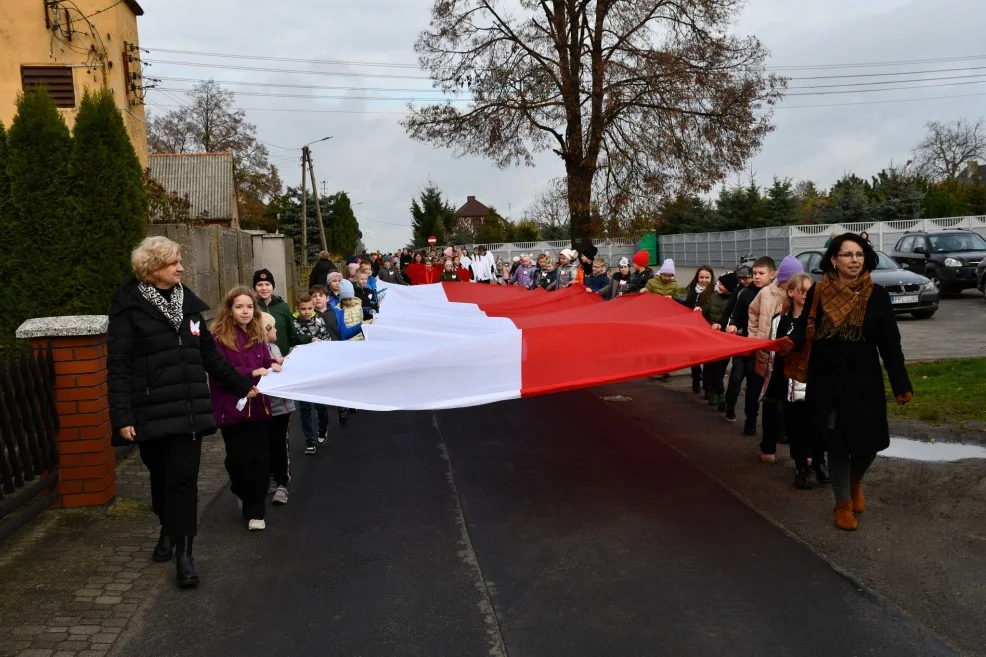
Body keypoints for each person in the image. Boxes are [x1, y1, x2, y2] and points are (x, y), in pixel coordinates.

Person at [108, 236, 257, 589]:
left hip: (188, 410)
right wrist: (123, 417)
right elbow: (117, 367)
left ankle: (185, 555)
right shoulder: (128, 309)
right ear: (153, 267)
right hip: (150, 411)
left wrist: (241, 385)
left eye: (180, 261)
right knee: (161, 481)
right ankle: (167, 528)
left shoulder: (187, 306)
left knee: (184, 482)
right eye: (174, 261)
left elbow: (209, 355)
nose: (181, 267)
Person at [783, 234, 912, 531]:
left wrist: (900, 382)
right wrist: (790, 341)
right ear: (834, 260)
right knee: (837, 445)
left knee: (870, 445)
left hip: (864, 383)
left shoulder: (876, 294)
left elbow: (890, 342)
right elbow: (805, 326)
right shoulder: (818, 290)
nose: (855, 260)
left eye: (859, 254)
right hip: (827, 382)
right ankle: (842, 503)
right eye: (848, 255)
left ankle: (855, 481)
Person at [209, 286, 280, 532]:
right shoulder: (217, 338)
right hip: (232, 410)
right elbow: (219, 374)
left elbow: (266, 361)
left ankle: (255, 511)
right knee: (238, 461)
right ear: (229, 309)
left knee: (260, 459)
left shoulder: (258, 334)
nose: (245, 311)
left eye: (249, 306)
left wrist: (275, 364)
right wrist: (250, 373)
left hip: (259, 407)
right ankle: (240, 488)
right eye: (239, 306)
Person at [761, 273, 829, 489]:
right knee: (795, 428)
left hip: (815, 381)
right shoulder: (780, 320)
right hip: (789, 382)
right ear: (791, 292)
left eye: (811, 291)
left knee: (818, 427)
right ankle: (801, 469)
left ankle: (819, 462)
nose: (808, 295)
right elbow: (774, 351)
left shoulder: (818, 320)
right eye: (803, 290)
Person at [721, 261, 767, 431]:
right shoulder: (744, 293)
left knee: (754, 387)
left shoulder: (775, 294)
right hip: (744, 344)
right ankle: (730, 405)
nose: (755, 277)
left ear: (772, 274)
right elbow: (734, 315)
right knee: (736, 379)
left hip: (761, 347)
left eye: (760, 274)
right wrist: (732, 324)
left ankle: (751, 421)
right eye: (754, 273)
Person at [259, 312, 294, 506]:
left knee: (280, 445)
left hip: (280, 408)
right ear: (265, 330)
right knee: (266, 445)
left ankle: (282, 483)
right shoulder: (256, 351)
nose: (276, 330)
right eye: (273, 327)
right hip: (263, 407)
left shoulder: (275, 348)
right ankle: (270, 477)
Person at [293, 294, 333, 448]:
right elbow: (293, 341)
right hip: (302, 370)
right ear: (298, 309)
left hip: (318, 368)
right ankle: (309, 439)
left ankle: (322, 428)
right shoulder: (294, 323)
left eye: (310, 308)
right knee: (304, 407)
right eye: (303, 309)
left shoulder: (319, 321)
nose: (307, 312)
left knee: (321, 404)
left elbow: (327, 341)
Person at [701, 272, 738, 410]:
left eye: (722, 284)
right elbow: (704, 313)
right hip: (711, 338)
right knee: (712, 365)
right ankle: (715, 391)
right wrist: (699, 310)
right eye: (719, 283)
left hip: (726, 340)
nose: (718, 285)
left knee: (721, 366)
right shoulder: (713, 297)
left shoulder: (734, 300)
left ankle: (715, 390)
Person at [253, 269, 309, 356]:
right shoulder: (252, 308)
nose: (264, 288)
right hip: (260, 359)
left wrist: (309, 339)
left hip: (283, 356)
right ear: (255, 287)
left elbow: (292, 336)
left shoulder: (283, 307)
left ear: (272, 286)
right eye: (259, 285)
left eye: (267, 284)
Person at [682, 266, 715, 394]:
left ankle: (708, 386)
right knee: (694, 356)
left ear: (711, 278)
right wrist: (672, 300)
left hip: (707, 329)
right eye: (701, 277)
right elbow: (686, 306)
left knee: (708, 358)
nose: (704, 280)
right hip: (693, 328)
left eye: (707, 277)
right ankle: (696, 379)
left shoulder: (714, 292)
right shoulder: (692, 290)